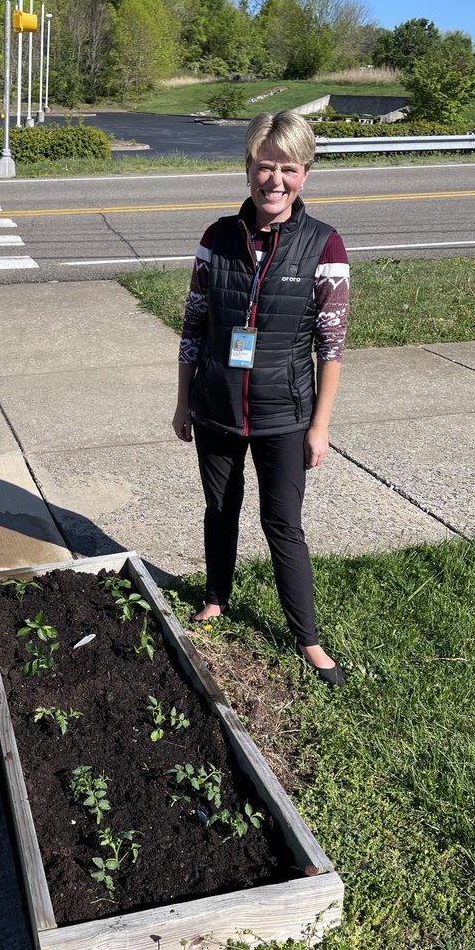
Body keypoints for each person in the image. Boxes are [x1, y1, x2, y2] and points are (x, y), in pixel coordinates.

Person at [172, 109, 349, 686]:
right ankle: (216, 597)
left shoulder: (325, 245)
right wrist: (183, 402)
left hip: (285, 414)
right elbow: (194, 326)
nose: (275, 181)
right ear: (248, 168)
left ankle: (308, 639)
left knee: (283, 523)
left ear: (305, 175)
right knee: (219, 509)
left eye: (289, 169)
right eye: (265, 166)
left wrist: (318, 427)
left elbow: (332, 346)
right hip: (216, 407)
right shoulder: (216, 237)